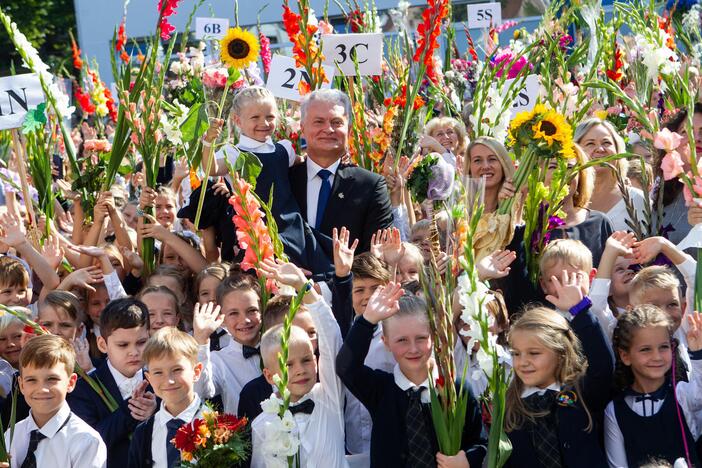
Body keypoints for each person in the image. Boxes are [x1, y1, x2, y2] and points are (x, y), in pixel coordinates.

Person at [337, 284, 487, 467]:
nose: (413, 349)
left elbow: (480, 442)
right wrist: (368, 320)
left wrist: (468, 460)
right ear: (386, 341)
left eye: (421, 338)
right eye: (402, 340)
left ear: (433, 335)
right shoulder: (380, 389)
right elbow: (346, 367)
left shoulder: (456, 388)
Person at [200, 86, 332, 274]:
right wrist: (208, 143)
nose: (264, 123)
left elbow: (304, 164)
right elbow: (210, 168)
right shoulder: (234, 153)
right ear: (237, 120)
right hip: (254, 232)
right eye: (255, 118)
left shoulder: (284, 149)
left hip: (292, 230)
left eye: (269, 117)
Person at [250, 260, 346, 468]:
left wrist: (304, 287)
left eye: (306, 360)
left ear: (316, 359)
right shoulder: (260, 424)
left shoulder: (329, 397)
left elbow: (331, 337)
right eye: (288, 364)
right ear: (268, 375)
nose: (301, 370)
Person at [504, 301, 613, 467]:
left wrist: (581, 310)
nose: (523, 362)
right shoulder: (511, 405)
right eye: (516, 353)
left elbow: (603, 367)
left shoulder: (580, 392)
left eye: (534, 353)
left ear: (561, 352)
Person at [289, 89, 393, 254]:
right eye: (318, 122)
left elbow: (376, 255)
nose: (328, 129)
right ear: (302, 128)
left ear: (349, 130)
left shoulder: (370, 186)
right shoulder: (285, 179)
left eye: (336, 122)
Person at [605, 306, 702, 467]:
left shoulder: (681, 394)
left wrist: (698, 354)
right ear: (625, 356)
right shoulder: (614, 411)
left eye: (663, 347)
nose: (656, 357)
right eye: (645, 349)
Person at [67, 298, 156, 468]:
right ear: (102, 344)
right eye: (123, 345)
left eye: (141, 342)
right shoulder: (84, 389)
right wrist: (130, 409)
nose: (134, 352)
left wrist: (155, 414)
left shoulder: (161, 382)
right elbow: (88, 443)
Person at [3, 335, 106, 468]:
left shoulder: (85, 441)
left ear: (71, 382)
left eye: (52, 379)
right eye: (31, 380)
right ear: (21, 385)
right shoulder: (12, 436)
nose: (42, 389)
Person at [128, 327, 206, 468]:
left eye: (177, 370)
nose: (169, 380)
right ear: (149, 378)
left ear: (196, 371)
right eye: (158, 372)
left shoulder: (217, 428)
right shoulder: (144, 433)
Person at [193, 274, 263, 413]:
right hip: (244, 432)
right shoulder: (218, 360)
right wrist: (201, 340)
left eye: (252, 311)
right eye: (233, 313)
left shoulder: (279, 345)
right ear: (221, 317)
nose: (245, 320)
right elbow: (200, 391)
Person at [575, 118, 647, 232]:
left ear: (618, 150)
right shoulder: (567, 202)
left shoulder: (639, 200)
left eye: (606, 143)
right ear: (576, 152)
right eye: (590, 143)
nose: (600, 149)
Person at [464, 137, 516, 214]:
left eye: (492, 159)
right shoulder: (459, 204)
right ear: (469, 168)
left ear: (503, 164)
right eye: (477, 160)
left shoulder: (516, 202)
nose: (485, 166)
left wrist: (504, 208)